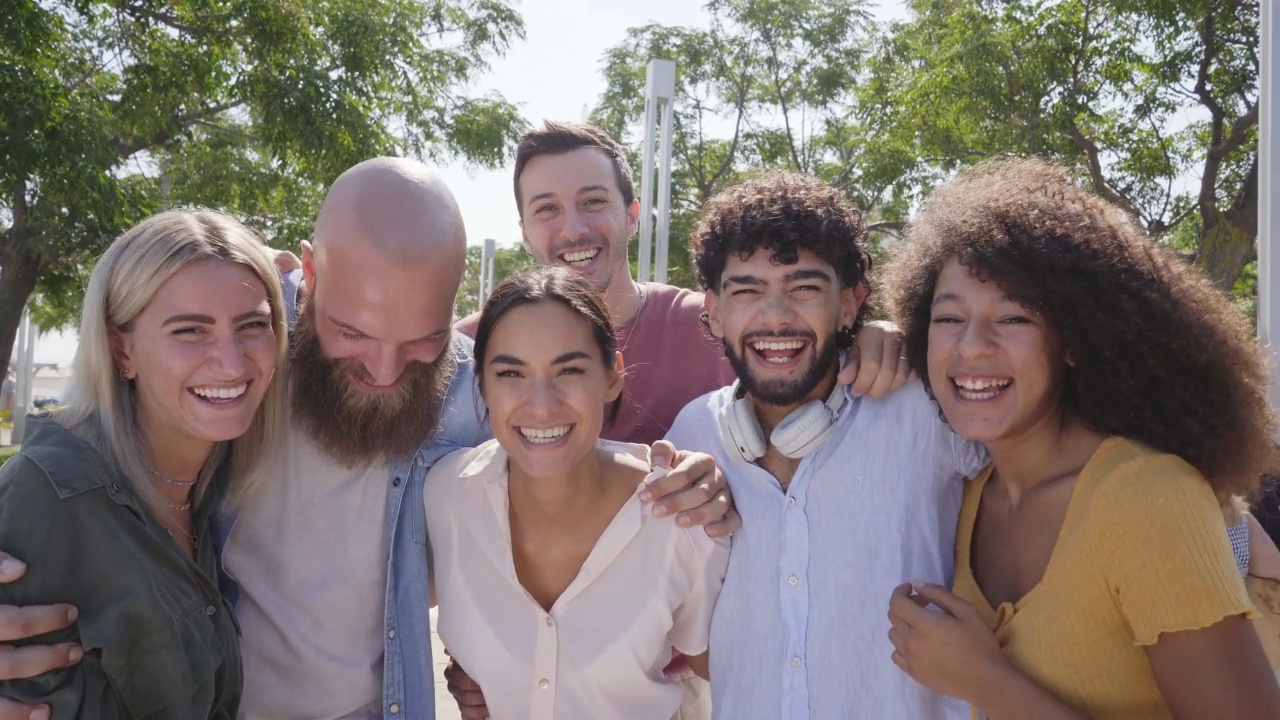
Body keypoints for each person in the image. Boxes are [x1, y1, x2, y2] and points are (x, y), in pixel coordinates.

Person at [0, 157, 738, 720]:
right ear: (310, 276)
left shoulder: (469, 396)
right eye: (351, 332)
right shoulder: (243, 355)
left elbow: (561, 475)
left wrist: (683, 476)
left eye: (421, 338)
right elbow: (89, 470)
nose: (385, 369)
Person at [446, 121, 912, 718]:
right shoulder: (471, 354)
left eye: (594, 203)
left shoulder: (710, 327)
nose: (574, 228)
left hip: (693, 678)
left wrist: (876, 337)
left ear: (632, 214)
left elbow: (799, 342)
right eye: (547, 209)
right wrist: (482, 657)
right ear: (524, 230)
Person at [883, 158, 1280, 718]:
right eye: (949, 319)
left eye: (1014, 318)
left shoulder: (1148, 498)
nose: (971, 347)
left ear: (1075, 342)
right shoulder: (969, 495)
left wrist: (985, 679)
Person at [661, 171, 986, 718]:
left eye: (804, 288)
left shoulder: (926, 409)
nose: (776, 316)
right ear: (713, 311)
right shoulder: (692, 434)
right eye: (746, 291)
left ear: (851, 304)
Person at [0, 209, 289, 719]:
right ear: (121, 349)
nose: (232, 361)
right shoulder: (49, 497)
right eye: (190, 331)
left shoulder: (209, 484)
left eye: (252, 325)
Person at [426, 266, 729, 719]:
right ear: (482, 386)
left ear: (612, 377)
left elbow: (735, 670)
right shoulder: (444, 497)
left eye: (569, 369)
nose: (542, 404)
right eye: (511, 374)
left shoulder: (680, 517)